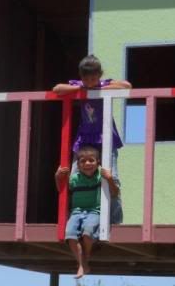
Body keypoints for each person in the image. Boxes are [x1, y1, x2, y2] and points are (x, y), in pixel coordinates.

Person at [53, 54, 131, 224]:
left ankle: (115, 220)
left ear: (99, 75)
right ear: (81, 77)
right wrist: (82, 90)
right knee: (73, 175)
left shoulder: (103, 84)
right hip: (85, 138)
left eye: (94, 78)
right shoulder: (80, 86)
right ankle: (70, 218)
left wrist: (99, 89)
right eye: (86, 78)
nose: (90, 82)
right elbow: (57, 89)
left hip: (105, 137)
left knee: (112, 176)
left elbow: (127, 86)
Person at [55, 145, 119, 278]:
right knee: (70, 234)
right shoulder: (75, 179)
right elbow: (63, 192)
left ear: (98, 162)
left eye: (91, 160)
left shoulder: (100, 178)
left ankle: (86, 258)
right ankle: (81, 264)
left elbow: (114, 193)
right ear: (78, 164)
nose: (87, 164)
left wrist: (110, 179)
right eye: (83, 161)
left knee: (88, 232)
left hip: (94, 212)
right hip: (76, 212)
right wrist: (57, 177)